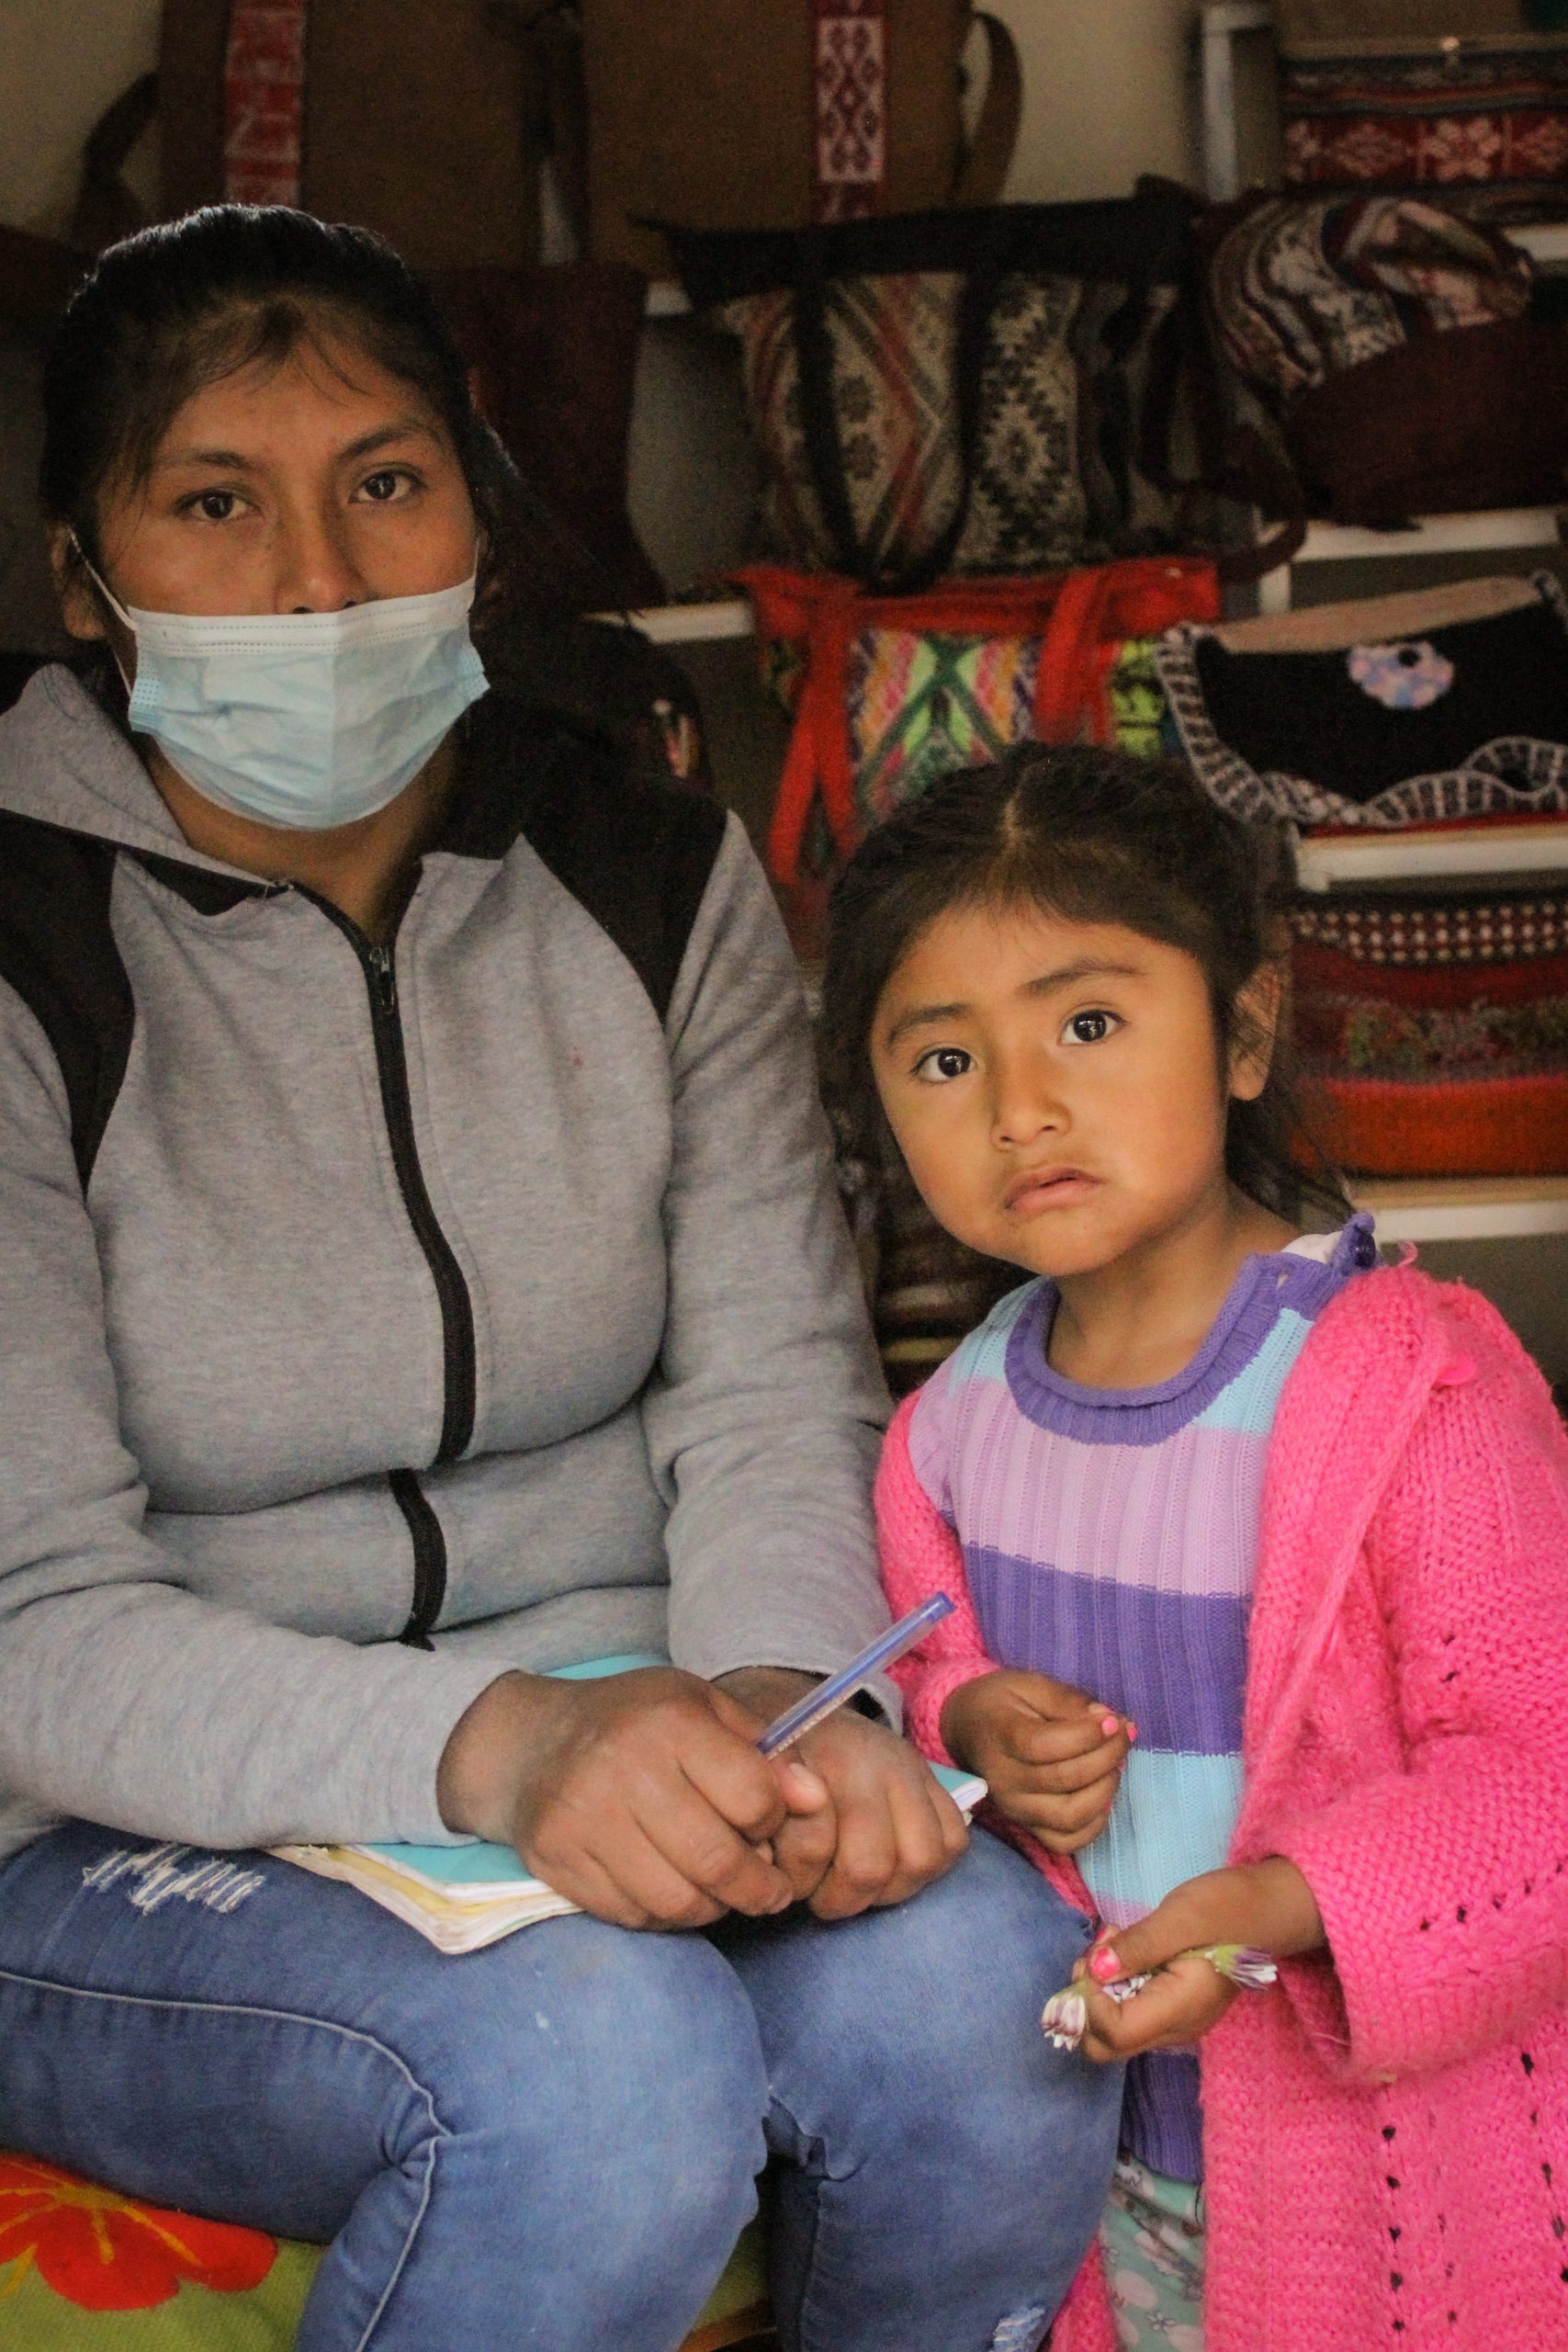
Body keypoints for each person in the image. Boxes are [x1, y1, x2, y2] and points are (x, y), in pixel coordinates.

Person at [0, 209, 1123, 2351]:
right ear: (86, 580)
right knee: (600, 2070)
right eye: (217, 505)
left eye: (386, 484)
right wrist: (498, 1744)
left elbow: (770, 1393)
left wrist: (793, 1702)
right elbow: (22, 1616)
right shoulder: (19, 943)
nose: (323, 583)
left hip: (634, 1717)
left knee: (994, 2005)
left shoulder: (638, 864)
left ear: (478, 519)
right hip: (107, 1823)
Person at [820, 741, 1568, 2352]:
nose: (1024, 1109)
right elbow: (931, 1648)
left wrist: (1268, 1909)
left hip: (1380, 2181)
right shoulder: (947, 1427)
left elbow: (1535, 1793)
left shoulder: (1411, 1388)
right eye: (943, 1063)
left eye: (1089, 1025)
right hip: (1090, 2182)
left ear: (1242, 1029)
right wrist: (966, 1722)